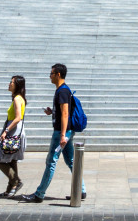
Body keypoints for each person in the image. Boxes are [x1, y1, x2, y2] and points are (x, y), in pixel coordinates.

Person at [20, 64, 85, 203]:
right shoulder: (63, 90)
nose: (50, 76)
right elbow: (62, 111)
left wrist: (62, 135)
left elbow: (66, 113)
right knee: (71, 161)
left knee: (51, 161)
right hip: (65, 131)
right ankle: (81, 190)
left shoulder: (62, 91)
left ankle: (39, 194)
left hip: (61, 132)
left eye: (51, 73)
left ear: (58, 75)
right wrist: (52, 112)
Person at [0, 75, 27, 197]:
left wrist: (6, 131)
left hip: (13, 131)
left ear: (17, 85)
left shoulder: (17, 99)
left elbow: (18, 117)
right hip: (16, 130)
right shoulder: (19, 98)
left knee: (0, 160)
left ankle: (16, 181)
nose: (9, 84)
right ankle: (10, 189)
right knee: (12, 160)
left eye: (12, 82)